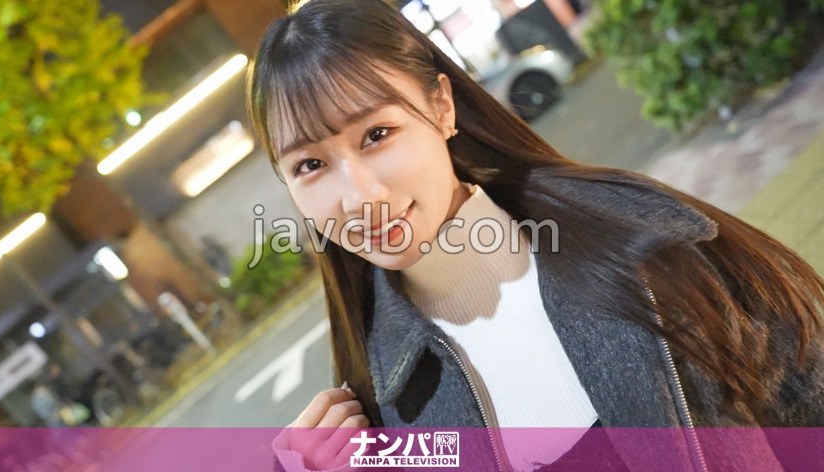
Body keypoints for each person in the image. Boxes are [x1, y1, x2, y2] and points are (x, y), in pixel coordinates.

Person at [246, 1, 824, 470]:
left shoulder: (635, 238)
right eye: (310, 165)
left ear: (441, 107)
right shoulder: (379, 405)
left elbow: (806, 392)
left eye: (377, 134)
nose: (359, 197)